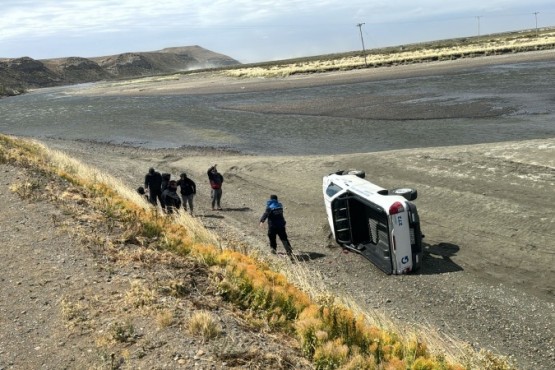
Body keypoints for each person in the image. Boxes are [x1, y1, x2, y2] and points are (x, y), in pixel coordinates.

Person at [259, 194, 294, 260]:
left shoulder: (270, 207)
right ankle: (289, 251)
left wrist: (262, 221)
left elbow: (265, 214)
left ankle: (273, 250)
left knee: (271, 237)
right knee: (284, 238)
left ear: (271, 199)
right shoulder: (280, 206)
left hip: (273, 226)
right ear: (276, 199)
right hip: (281, 225)